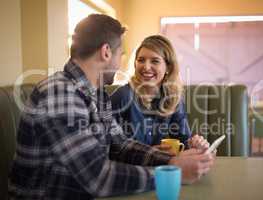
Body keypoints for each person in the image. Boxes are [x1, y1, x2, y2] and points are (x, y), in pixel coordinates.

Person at [8, 14, 215, 200]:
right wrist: (170, 173)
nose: (121, 62)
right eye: (121, 54)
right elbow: (98, 177)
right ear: (106, 52)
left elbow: (120, 145)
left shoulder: (97, 93)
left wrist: (171, 160)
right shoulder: (60, 93)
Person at [111, 35, 208, 154]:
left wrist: (195, 144)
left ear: (168, 67)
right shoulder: (122, 96)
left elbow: (182, 139)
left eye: (155, 61)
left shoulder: (173, 99)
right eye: (141, 60)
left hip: (158, 168)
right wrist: (149, 153)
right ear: (135, 64)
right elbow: (109, 147)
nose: (146, 67)